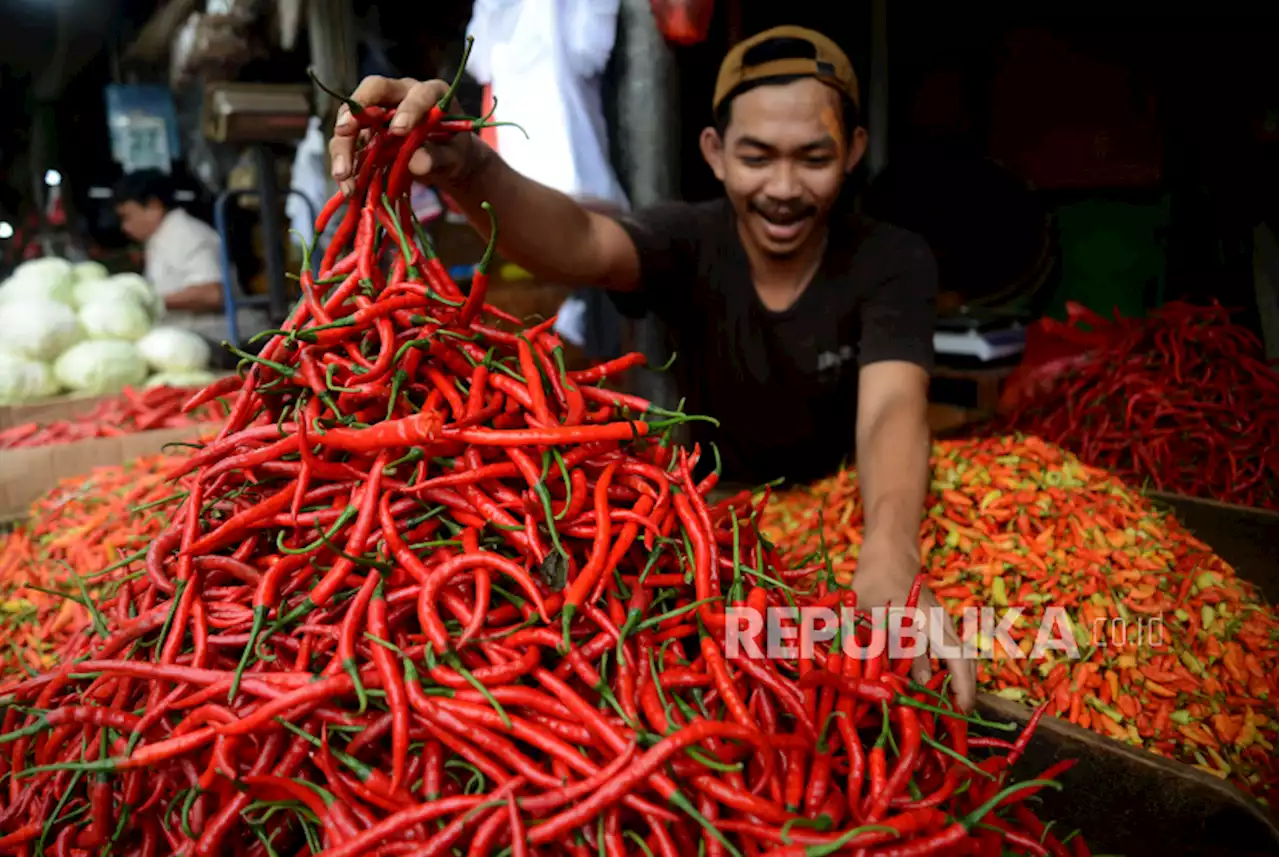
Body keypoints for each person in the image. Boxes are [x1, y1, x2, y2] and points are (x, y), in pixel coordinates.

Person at [328, 25, 976, 710]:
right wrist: (472, 169)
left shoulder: (892, 259)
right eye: (757, 156)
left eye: (813, 157)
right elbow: (579, 241)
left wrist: (889, 548)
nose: (784, 187)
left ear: (853, 153)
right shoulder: (689, 238)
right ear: (716, 154)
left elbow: (891, 407)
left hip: (857, 510)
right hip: (718, 530)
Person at [114, 170, 267, 352]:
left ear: (154, 207)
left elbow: (212, 293)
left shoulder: (186, 234)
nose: (124, 227)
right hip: (195, 340)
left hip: (225, 341)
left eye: (127, 217)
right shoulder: (162, 237)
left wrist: (151, 301)